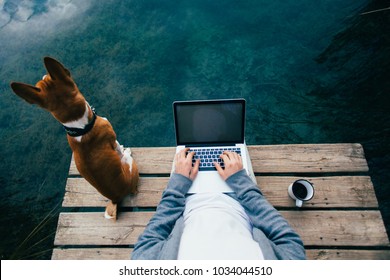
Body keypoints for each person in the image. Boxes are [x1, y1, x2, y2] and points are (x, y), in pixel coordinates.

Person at [131, 148, 306, 260]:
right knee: (236, 149)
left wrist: (179, 183)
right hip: (240, 197)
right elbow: (290, 244)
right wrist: (240, 181)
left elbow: (148, 243)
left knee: (186, 154)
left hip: (186, 197)